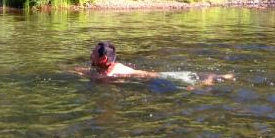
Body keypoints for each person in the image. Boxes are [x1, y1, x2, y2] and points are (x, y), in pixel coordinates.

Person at [76, 40, 233, 85]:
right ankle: (216, 77)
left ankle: (212, 79)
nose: (90, 55)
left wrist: (81, 73)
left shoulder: (111, 71)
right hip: (159, 77)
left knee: (192, 81)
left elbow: (100, 78)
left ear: (103, 59)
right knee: (192, 75)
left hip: (162, 78)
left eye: (93, 53)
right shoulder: (108, 67)